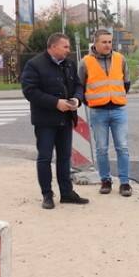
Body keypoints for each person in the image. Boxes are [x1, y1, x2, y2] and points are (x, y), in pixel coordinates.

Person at [21, 32, 89, 209]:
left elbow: (79, 85)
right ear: (53, 47)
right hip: (45, 121)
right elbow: (30, 91)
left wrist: (76, 99)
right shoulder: (34, 64)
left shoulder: (68, 64)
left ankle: (66, 193)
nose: (68, 50)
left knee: (64, 158)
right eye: (65, 47)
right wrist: (55, 103)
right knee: (44, 158)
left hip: (66, 119)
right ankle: (47, 195)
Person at [77, 29, 132, 197]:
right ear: (95, 43)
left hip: (118, 110)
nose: (108, 45)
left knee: (122, 148)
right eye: (104, 42)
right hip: (98, 112)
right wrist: (91, 102)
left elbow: (126, 82)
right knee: (101, 149)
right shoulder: (85, 62)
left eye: (110, 42)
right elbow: (80, 86)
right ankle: (105, 181)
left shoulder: (120, 59)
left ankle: (124, 183)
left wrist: (116, 97)